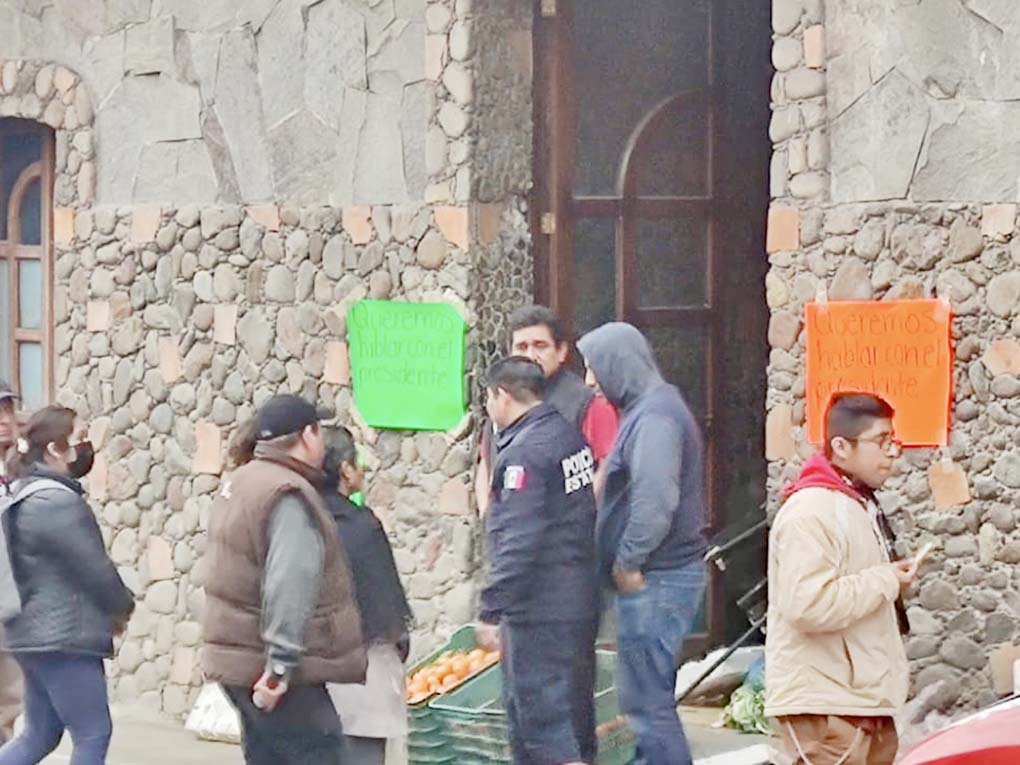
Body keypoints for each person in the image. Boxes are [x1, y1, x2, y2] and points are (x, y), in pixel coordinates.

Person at [201, 395, 366, 765]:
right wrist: (280, 667)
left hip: (238, 661)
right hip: (271, 668)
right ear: (307, 436)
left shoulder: (242, 481)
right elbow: (289, 583)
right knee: (321, 755)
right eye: (318, 431)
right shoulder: (287, 494)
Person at [577, 323, 708, 765]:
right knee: (645, 699)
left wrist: (628, 561)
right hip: (657, 577)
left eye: (594, 368)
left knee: (648, 705)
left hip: (657, 577)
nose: (590, 382)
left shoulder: (655, 418)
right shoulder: (648, 411)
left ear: (618, 365)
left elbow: (655, 498)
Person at [765, 393, 918, 765]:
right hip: (825, 707)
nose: (892, 452)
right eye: (881, 441)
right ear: (841, 447)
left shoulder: (854, 503)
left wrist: (888, 580)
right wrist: (884, 581)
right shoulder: (811, 511)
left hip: (858, 701)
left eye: (893, 440)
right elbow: (807, 605)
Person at [476, 356, 599, 765]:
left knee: (545, 729)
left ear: (502, 395)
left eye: (488, 398)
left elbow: (519, 540)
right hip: (576, 598)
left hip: (540, 609)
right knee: (574, 719)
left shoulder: (525, 454)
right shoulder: (567, 436)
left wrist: (491, 607)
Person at [0, 405, 133, 765]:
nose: (85, 447)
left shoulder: (25, 492)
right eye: (78, 439)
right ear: (54, 450)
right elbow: (94, 569)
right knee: (93, 734)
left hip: (32, 634)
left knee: (39, 735)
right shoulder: (56, 501)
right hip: (63, 637)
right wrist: (123, 605)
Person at [320, 426, 412, 765]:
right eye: (357, 461)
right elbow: (384, 600)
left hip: (309, 673)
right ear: (345, 470)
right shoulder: (361, 526)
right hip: (362, 667)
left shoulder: (298, 519)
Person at [475, 306, 618, 516]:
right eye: (521, 347)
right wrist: (487, 515)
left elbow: (605, 467)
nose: (531, 355)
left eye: (540, 346)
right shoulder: (502, 398)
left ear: (561, 352)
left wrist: (580, 519)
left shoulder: (587, 402)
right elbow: (486, 461)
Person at [0, 383, 23, 746]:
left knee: (9, 706)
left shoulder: (21, 473)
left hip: (12, 608)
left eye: (8, 410)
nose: (5, 420)